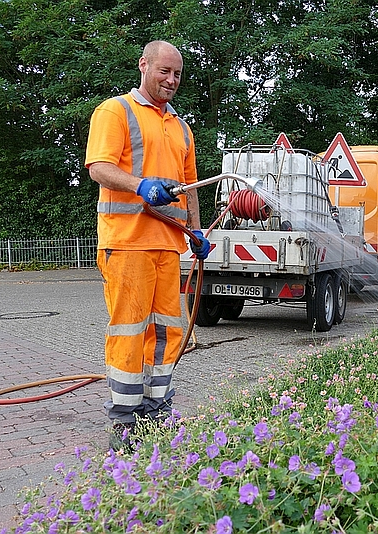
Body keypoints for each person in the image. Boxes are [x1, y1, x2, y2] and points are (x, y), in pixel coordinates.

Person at [85, 40, 210, 451]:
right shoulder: (115, 111)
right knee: (130, 331)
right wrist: (140, 185)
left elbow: (189, 187)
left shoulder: (181, 127)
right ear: (144, 65)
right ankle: (124, 423)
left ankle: (157, 413)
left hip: (168, 248)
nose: (171, 80)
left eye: (177, 74)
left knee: (168, 332)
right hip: (127, 244)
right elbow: (99, 168)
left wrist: (196, 231)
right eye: (164, 71)